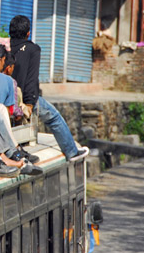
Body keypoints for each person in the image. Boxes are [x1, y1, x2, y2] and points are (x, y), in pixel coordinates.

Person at [9, 15, 89, 162]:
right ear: (28, 33)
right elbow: (31, 79)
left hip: (7, 97)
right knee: (54, 118)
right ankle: (71, 152)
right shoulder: (33, 49)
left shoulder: (4, 49)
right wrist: (30, 102)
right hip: (24, 98)